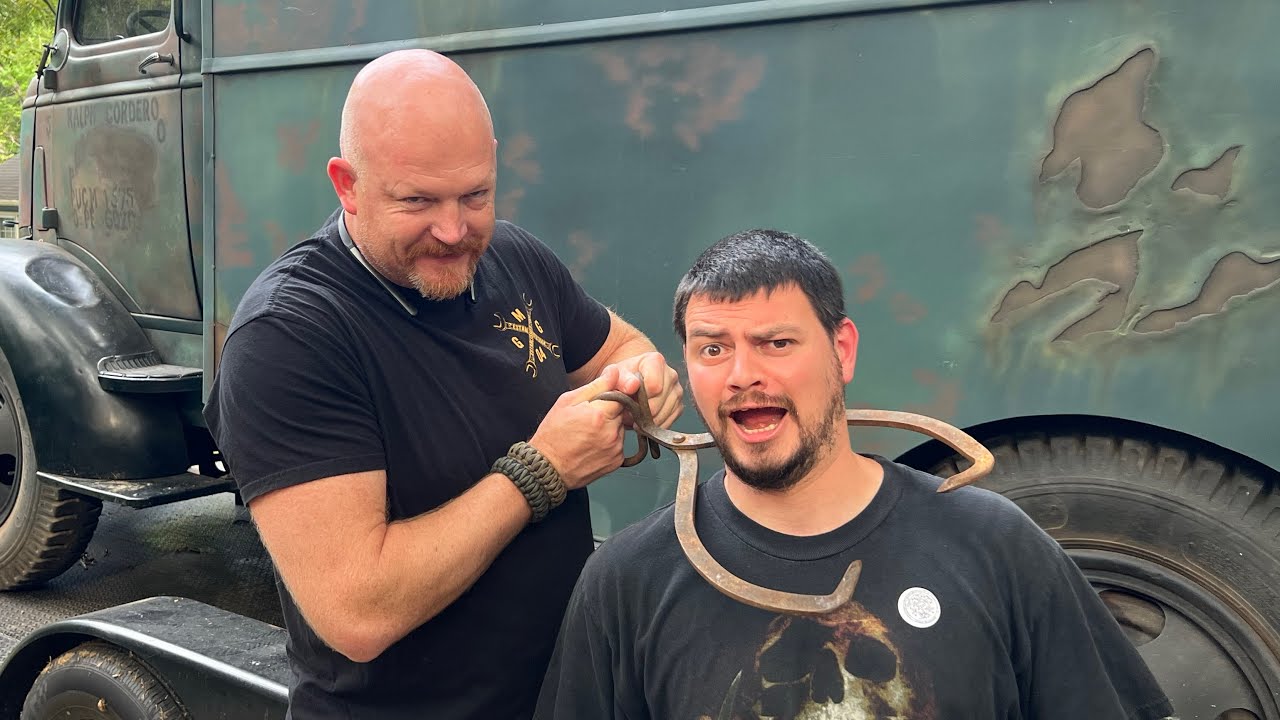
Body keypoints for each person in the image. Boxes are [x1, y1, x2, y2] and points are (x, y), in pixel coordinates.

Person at [204, 49, 682, 719]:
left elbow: (623, 347)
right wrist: (543, 470)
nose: (455, 232)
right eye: (418, 201)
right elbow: (357, 612)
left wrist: (642, 382)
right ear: (347, 185)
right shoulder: (290, 334)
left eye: (475, 196)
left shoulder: (513, 256)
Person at [535, 229, 1174, 719]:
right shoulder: (628, 582)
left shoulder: (995, 545)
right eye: (713, 348)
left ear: (842, 351)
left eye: (776, 343)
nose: (740, 374)